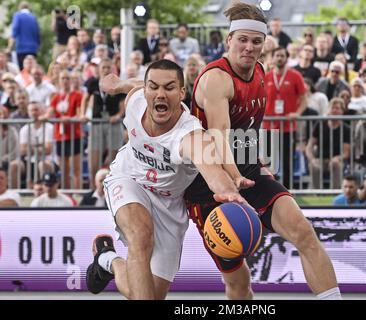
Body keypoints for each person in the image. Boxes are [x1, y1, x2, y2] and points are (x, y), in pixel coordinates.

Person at [185, 2, 341, 300]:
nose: (249, 47)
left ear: (264, 44)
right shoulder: (216, 79)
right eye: (242, 40)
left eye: (256, 41)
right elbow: (219, 136)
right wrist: (233, 177)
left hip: (248, 171)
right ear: (228, 40)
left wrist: (256, 162)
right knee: (239, 284)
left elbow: (247, 130)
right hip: (209, 185)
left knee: (304, 232)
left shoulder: (259, 70)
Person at [85, 60, 247, 300]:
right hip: (128, 179)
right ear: (147, 90)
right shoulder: (137, 101)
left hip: (169, 204)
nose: (160, 94)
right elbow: (135, 85)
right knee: (140, 236)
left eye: (170, 88)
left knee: (148, 293)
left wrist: (229, 193)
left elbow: (214, 172)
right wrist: (117, 84)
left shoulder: (191, 136)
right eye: (154, 87)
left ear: (182, 93)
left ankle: (108, 260)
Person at [263, 47, 306, 188]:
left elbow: (304, 99)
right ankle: (269, 191)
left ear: (287, 58)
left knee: (287, 162)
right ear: (273, 58)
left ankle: (287, 192)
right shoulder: (266, 76)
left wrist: (297, 113)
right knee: (269, 163)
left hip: (288, 127)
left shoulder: (295, 76)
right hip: (269, 126)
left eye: (282, 56)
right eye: (277, 56)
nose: (280, 58)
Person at [82, 58, 125, 188]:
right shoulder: (93, 83)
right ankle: (93, 187)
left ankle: (114, 186)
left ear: (112, 69)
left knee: (114, 154)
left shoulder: (117, 83)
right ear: (99, 69)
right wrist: (83, 114)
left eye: (108, 67)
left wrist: (118, 115)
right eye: (103, 67)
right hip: (97, 121)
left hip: (113, 121)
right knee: (94, 153)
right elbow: (85, 98)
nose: (106, 70)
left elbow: (122, 103)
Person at [306, 98, 351, 189]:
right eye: (332, 108)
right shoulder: (320, 124)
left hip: (336, 160)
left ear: (342, 111)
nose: (334, 110)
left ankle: (335, 193)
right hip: (320, 159)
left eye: (337, 108)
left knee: (335, 164)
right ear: (328, 110)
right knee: (314, 166)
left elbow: (346, 153)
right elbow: (309, 146)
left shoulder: (346, 129)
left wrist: (338, 158)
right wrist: (312, 159)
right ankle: (316, 194)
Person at [7, 1, 40, 70]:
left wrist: (9, 48)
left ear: (19, 8)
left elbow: (14, 33)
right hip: (33, 49)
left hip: (21, 49)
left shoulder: (18, 16)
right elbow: (37, 35)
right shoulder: (33, 18)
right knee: (32, 70)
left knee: (23, 71)